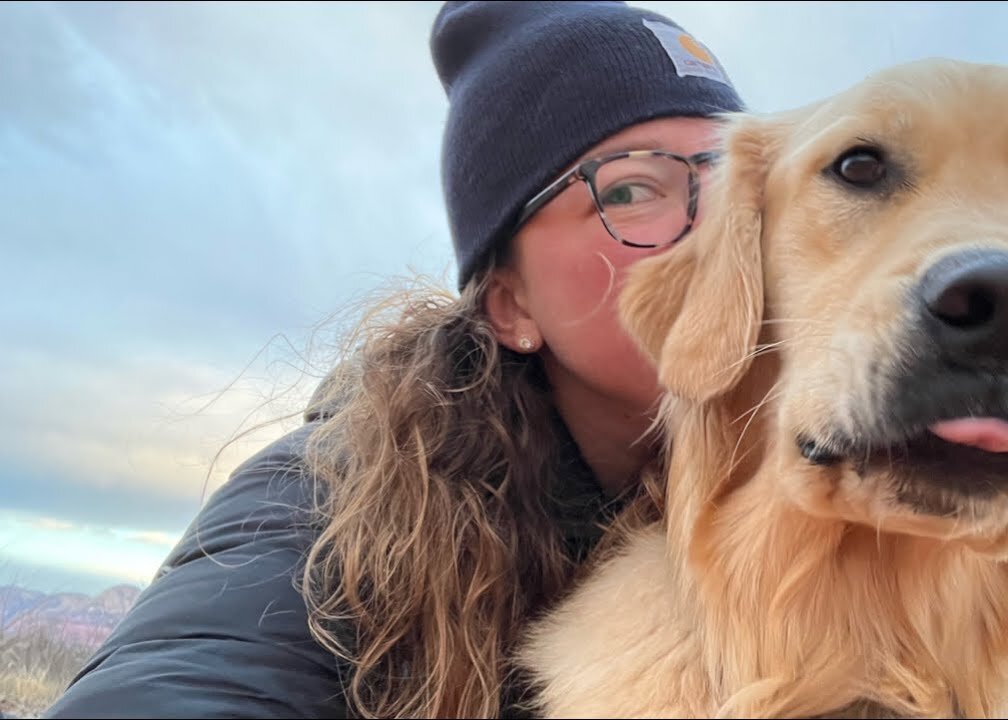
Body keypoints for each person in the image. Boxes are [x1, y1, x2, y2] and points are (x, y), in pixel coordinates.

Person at [43, 1, 745, 718]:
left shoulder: (815, 480)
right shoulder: (340, 501)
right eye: (630, 190)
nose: (724, 230)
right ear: (512, 307)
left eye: (743, 181)